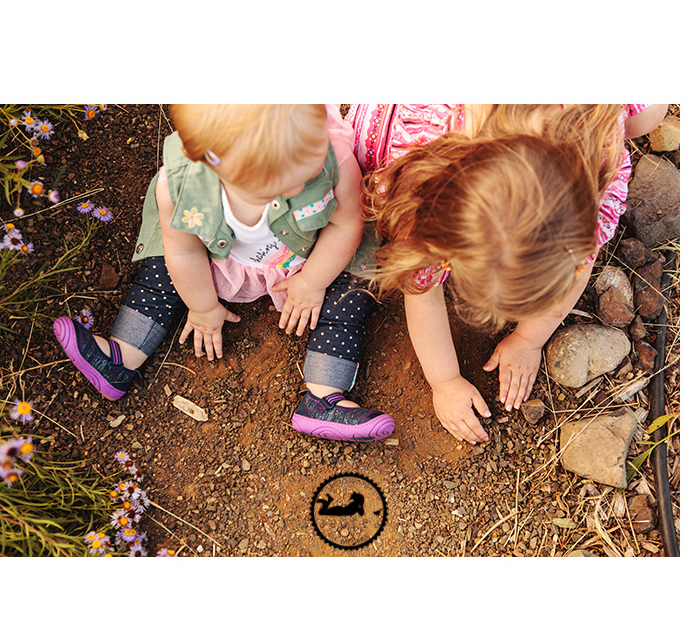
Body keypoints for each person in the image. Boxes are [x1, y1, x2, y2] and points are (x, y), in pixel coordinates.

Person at [53, 104, 394, 442]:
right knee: (164, 266)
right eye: (281, 180)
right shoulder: (182, 187)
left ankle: (324, 396)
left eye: (311, 162)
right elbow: (184, 253)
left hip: (312, 254)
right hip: (218, 256)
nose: (300, 182)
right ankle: (122, 355)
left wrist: (312, 281)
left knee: (354, 275)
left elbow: (345, 224)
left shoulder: (332, 158)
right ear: (213, 162)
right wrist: (202, 307)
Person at [350, 104, 667, 445]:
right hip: (401, 118)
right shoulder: (427, 193)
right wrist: (445, 382)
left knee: (649, 114)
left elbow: (582, 260)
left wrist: (529, 339)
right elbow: (421, 293)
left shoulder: (597, 143)